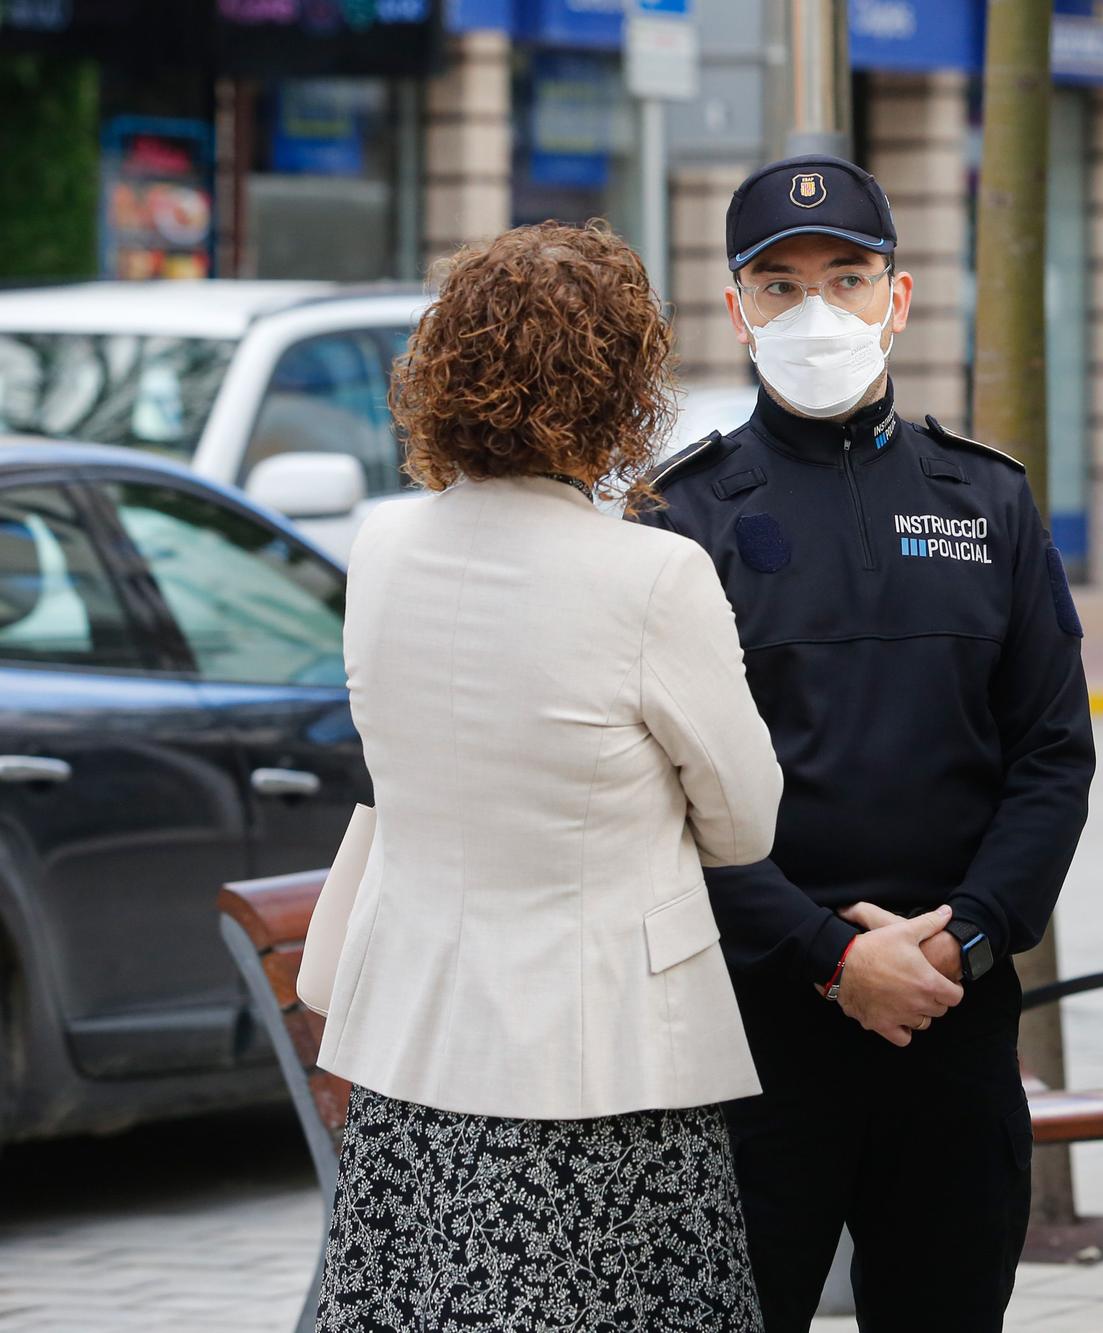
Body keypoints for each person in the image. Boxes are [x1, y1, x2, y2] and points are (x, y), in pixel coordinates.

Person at [633, 155, 1095, 1333]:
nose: (816, 312)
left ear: (899, 296)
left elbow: (1050, 755)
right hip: (757, 1040)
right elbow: (660, 807)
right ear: (734, 310)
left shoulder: (988, 503)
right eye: (779, 286)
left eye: (846, 277)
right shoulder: (681, 520)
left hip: (952, 1020)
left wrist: (973, 935)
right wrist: (830, 956)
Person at [314, 221, 783, 1332]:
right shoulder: (652, 576)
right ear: (623, 387)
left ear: (440, 376)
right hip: (601, 1067)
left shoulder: (380, 547)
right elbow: (745, 821)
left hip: (416, 1049)